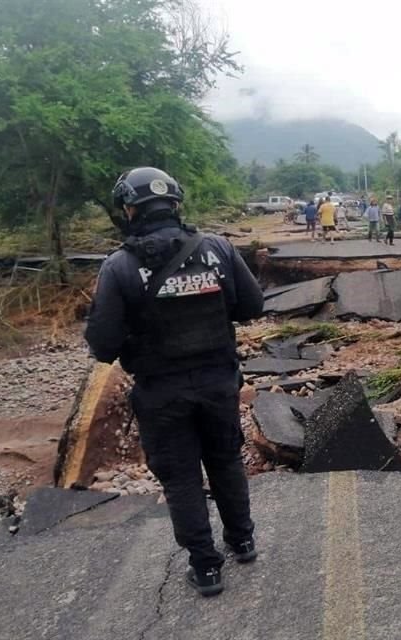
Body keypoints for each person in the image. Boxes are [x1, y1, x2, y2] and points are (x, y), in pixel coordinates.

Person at [85, 167, 265, 596]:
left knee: (181, 476)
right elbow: (252, 305)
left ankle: (206, 568)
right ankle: (242, 540)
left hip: (162, 392)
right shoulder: (217, 248)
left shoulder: (119, 267)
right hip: (219, 382)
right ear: (175, 204)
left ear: (130, 210)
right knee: (225, 460)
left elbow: (103, 346)